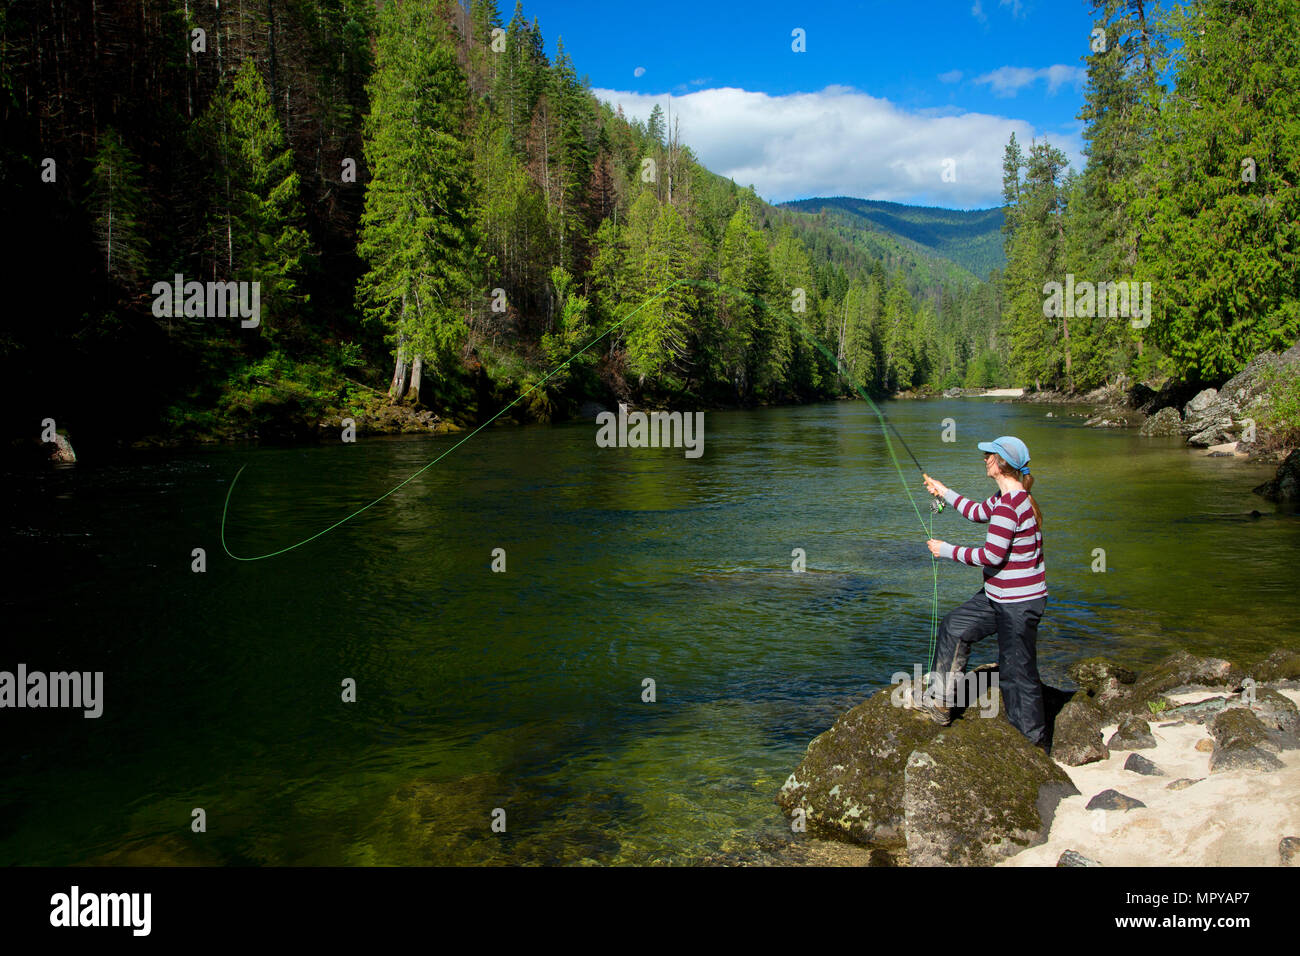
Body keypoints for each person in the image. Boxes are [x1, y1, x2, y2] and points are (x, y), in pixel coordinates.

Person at [917, 435, 1050, 752]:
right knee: (954, 626)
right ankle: (940, 702)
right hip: (998, 594)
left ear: (1000, 463)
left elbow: (992, 556)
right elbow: (976, 512)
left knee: (1017, 672)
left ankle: (1033, 747)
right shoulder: (1005, 498)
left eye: (989, 455)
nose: (985, 459)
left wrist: (947, 550)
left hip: (1019, 602)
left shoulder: (1011, 506)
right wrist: (943, 492)